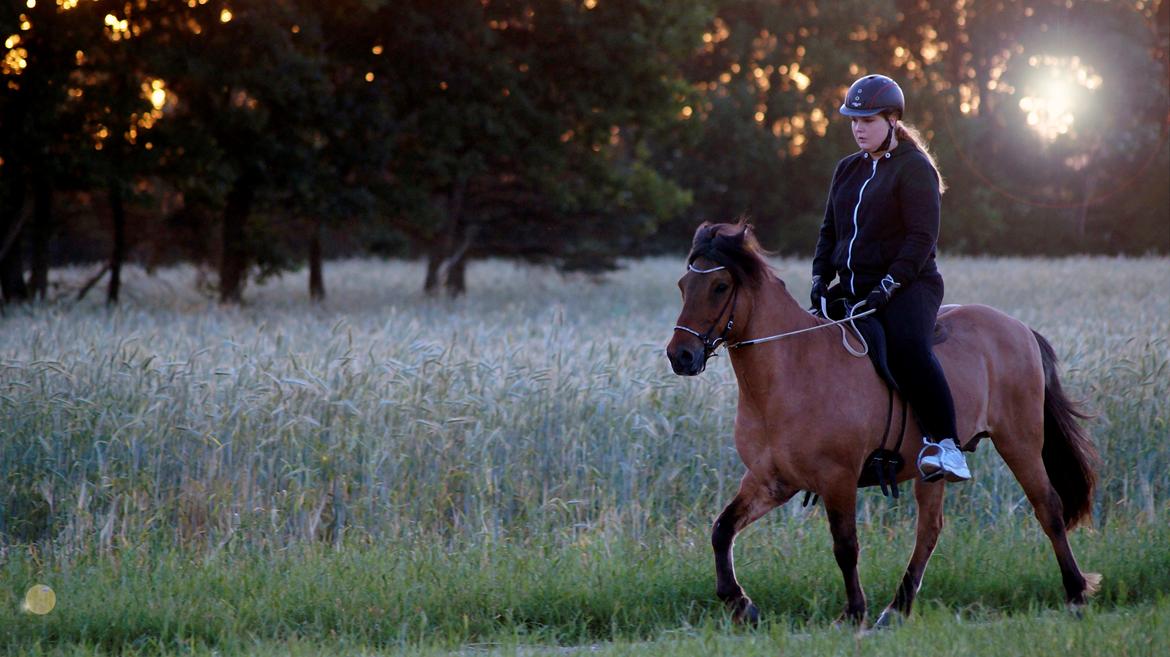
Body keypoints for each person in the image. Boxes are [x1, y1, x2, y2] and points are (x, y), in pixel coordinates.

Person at [810, 74, 970, 482]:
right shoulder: (846, 169)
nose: (859, 128)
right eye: (854, 120)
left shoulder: (914, 169)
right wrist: (819, 277)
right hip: (852, 289)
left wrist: (888, 286)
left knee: (907, 347)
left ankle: (946, 445)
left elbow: (921, 240)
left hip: (910, 286)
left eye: (868, 120)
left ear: (893, 120)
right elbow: (829, 230)